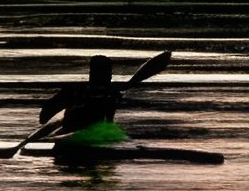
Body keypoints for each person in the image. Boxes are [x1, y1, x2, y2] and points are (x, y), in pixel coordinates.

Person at [37, 50, 168, 141]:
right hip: (77, 134)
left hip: (92, 135)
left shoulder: (110, 92)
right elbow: (44, 117)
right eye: (100, 73)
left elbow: (43, 117)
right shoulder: (75, 91)